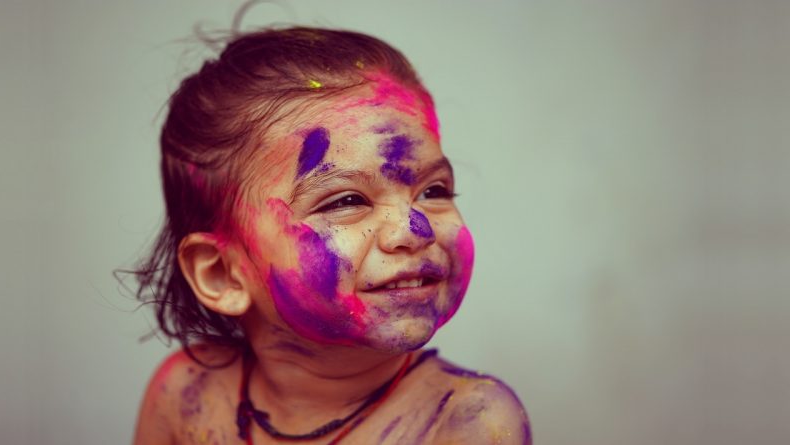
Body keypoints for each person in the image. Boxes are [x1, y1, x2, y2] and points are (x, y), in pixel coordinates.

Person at [131, 26, 531, 445]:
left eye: (433, 191)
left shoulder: (468, 423)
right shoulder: (184, 394)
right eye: (346, 201)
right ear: (222, 275)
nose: (414, 229)